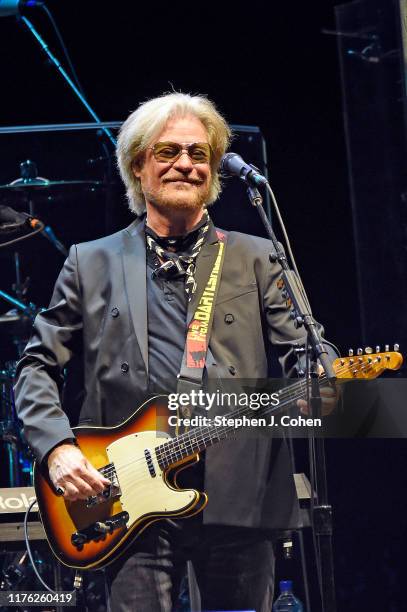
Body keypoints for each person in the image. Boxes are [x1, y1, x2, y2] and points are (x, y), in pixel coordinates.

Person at [14, 92, 337, 612]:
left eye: (198, 153)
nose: (185, 164)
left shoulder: (259, 256)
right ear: (138, 166)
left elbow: (307, 350)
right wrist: (57, 448)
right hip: (124, 499)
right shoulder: (90, 262)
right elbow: (36, 365)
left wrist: (316, 385)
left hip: (241, 495)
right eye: (168, 153)